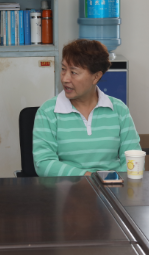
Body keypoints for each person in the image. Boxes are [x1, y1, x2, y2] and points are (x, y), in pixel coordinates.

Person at [33, 39, 141, 176]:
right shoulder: (48, 112)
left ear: (96, 77)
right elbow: (44, 164)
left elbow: (133, 158)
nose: (65, 79)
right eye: (63, 69)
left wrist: (113, 181)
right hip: (67, 188)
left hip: (111, 186)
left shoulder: (119, 110)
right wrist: (89, 178)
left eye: (74, 72)